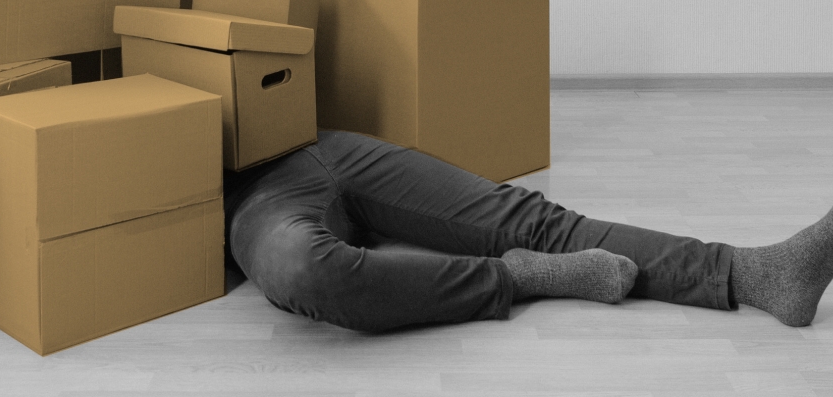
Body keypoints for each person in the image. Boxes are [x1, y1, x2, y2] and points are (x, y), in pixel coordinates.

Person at [223, 130, 833, 332]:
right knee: (308, 268)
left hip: (312, 141)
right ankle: (518, 278)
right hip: (245, 198)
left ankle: (752, 273)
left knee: (531, 218)